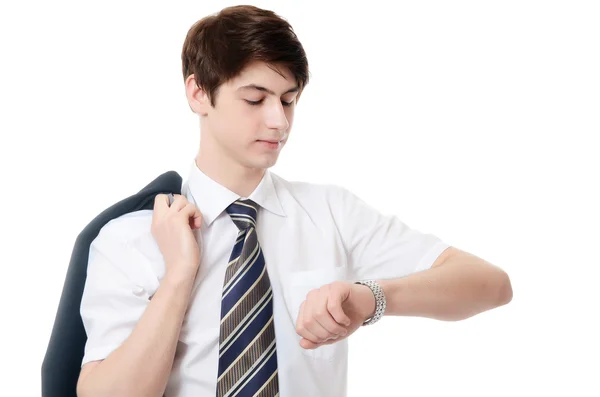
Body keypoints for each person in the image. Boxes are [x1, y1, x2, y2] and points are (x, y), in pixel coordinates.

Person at [75, 5, 512, 397]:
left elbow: (490, 285)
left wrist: (370, 299)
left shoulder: (331, 214)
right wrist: (179, 276)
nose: (278, 121)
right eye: (255, 98)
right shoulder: (128, 240)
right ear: (198, 94)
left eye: (288, 100)